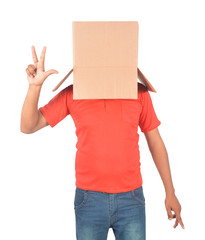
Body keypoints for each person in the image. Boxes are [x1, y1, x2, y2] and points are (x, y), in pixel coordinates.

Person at [21, 46, 185, 240]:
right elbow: (28, 126)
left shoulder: (138, 93)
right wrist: (34, 87)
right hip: (89, 200)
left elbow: (155, 142)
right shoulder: (74, 93)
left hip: (131, 199)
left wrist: (170, 191)